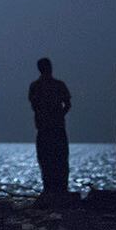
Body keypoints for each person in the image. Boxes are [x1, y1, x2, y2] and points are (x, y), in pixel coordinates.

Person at [28, 58, 71, 198]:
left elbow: (34, 106)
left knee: (47, 161)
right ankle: (59, 191)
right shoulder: (58, 85)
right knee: (59, 160)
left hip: (46, 129)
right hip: (55, 128)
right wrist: (58, 115)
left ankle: (50, 191)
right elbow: (68, 104)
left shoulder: (35, 86)